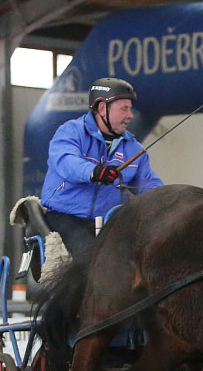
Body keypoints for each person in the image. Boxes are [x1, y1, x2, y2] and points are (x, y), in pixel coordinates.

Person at [40, 77, 163, 256]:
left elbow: (149, 185)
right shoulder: (71, 131)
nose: (130, 115)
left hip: (111, 221)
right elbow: (66, 161)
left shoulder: (134, 149)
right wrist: (94, 171)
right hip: (66, 217)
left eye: (130, 109)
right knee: (90, 259)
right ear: (102, 108)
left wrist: (170, 201)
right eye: (124, 109)